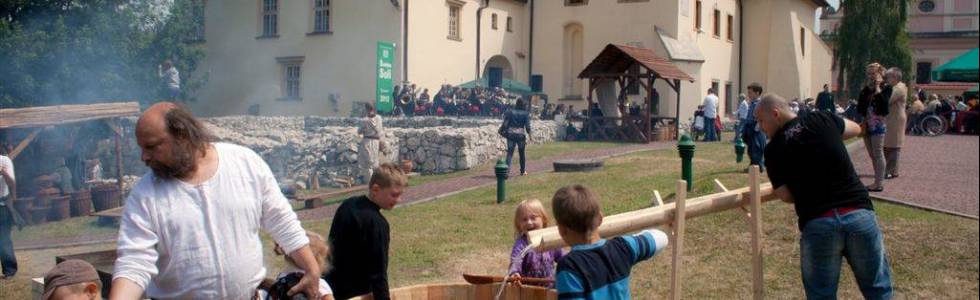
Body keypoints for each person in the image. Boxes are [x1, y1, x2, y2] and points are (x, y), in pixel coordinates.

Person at [111, 103, 321, 299]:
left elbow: (281, 221)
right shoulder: (144, 195)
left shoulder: (245, 163)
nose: (144, 157)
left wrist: (311, 269)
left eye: (152, 146)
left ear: (182, 135)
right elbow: (134, 262)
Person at [755, 93, 893, 299]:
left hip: (818, 222)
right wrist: (830, 136)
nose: (760, 127)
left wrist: (804, 188)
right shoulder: (821, 118)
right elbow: (855, 129)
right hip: (859, 214)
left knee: (821, 295)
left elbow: (784, 194)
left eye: (761, 121)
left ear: (775, 114)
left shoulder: (773, 149)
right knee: (878, 289)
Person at [552, 184, 668, 299]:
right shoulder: (623, 247)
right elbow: (661, 238)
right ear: (600, 219)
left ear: (561, 230)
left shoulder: (569, 267)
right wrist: (630, 241)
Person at [326, 163, 407, 300]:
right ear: (375, 189)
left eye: (400, 195)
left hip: (331, 288)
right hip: (358, 294)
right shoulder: (377, 224)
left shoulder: (347, 204)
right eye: (394, 195)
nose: (399, 200)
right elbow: (378, 273)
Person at [262, 231, 335, 300]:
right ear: (317, 261)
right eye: (324, 258)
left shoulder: (283, 278)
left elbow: (274, 292)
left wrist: (263, 283)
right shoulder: (317, 283)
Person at [507, 199, 563, 287]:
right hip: (528, 289)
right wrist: (515, 273)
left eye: (533, 218)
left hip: (549, 289)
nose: (529, 222)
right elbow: (515, 261)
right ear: (519, 225)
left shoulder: (549, 239)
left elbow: (562, 259)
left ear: (543, 219)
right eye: (524, 219)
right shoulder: (522, 244)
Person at [857, 63, 890, 192]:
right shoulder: (866, 89)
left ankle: (879, 183)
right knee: (872, 155)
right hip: (867, 124)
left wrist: (877, 88)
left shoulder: (886, 88)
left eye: (873, 73)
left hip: (878, 125)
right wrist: (866, 90)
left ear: (880, 73)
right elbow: (860, 107)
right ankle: (877, 180)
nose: (871, 76)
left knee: (878, 153)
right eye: (869, 73)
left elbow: (884, 107)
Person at [1, 150, 23, 280]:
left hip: (2, 206)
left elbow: (12, 184)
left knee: (3, 240)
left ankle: (9, 270)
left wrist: (3, 173)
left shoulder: (4, 161)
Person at [883, 67, 907, 179]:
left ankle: (891, 171)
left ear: (895, 77)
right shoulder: (895, 86)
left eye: (888, 76)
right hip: (892, 118)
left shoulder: (899, 88)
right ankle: (891, 170)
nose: (886, 79)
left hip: (896, 119)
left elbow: (887, 100)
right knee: (889, 144)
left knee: (893, 145)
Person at [502, 98, 532, 176]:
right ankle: (522, 171)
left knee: (510, 153)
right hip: (520, 135)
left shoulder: (510, 112)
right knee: (521, 153)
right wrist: (530, 136)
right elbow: (527, 127)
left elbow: (505, 123)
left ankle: (506, 172)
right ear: (523, 105)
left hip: (511, 134)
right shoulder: (525, 113)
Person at [742, 83, 768, 173]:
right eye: (748, 92)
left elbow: (760, 118)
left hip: (757, 130)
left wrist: (756, 128)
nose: (748, 95)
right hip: (750, 128)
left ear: (757, 93)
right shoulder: (751, 103)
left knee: (757, 149)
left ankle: (758, 167)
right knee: (751, 149)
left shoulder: (759, 104)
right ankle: (753, 166)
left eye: (750, 92)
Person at [358, 103, 385, 184]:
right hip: (376, 141)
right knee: (375, 162)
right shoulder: (379, 118)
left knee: (368, 163)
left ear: (366, 109)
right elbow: (380, 129)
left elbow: (359, 131)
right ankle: (377, 181)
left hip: (367, 141)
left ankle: (370, 182)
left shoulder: (364, 120)